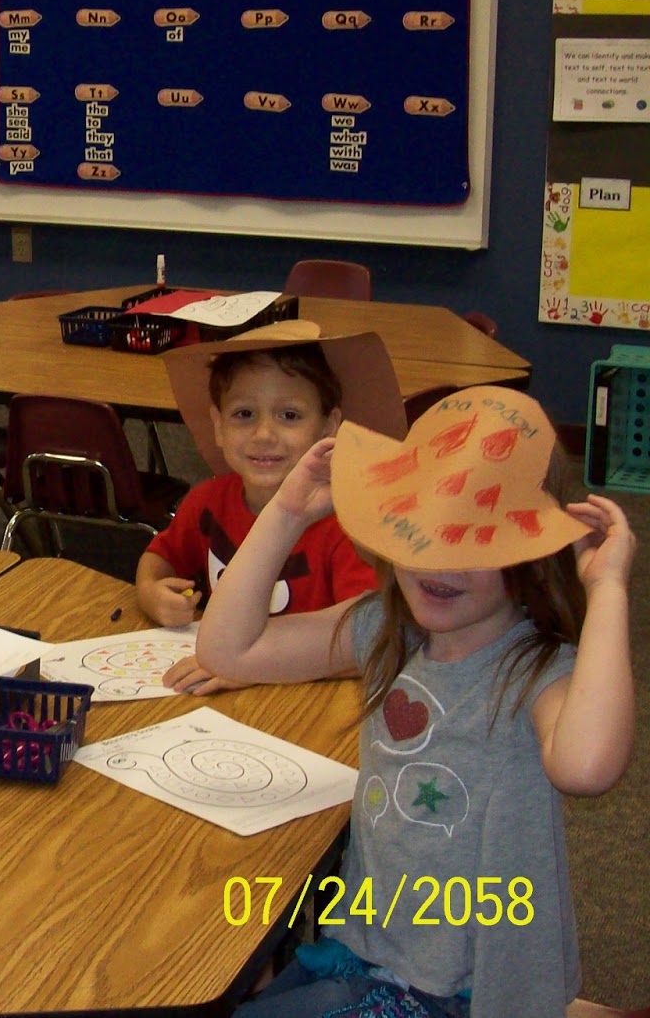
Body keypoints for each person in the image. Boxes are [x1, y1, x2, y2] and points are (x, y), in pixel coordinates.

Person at [202, 386, 633, 1018]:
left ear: (528, 553)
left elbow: (586, 766)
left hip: (459, 986)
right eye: (422, 530)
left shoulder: (535, 668)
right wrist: (289, 511)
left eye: (475, 544)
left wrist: (609, 591)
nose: (440, 563)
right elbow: (228, 650)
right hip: (368, 948)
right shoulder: (389, 629)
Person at [135, 322, 407, 695]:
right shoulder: (208, 502)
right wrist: (150, 590)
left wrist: (257, 666)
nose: (264, 435)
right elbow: (160, 555)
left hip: (307, 699)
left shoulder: (346, 529)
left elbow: (373, 639)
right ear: (217, 425)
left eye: (289, 416)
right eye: (244, 414)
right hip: (224, 696)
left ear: (329, 427)